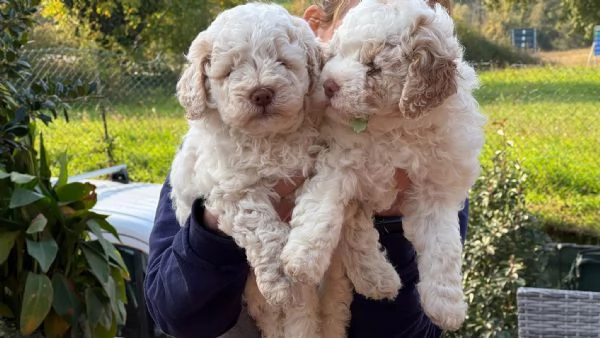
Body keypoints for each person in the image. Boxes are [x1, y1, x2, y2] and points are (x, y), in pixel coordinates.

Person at [144, 1, 467, 337]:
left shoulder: (431, 159)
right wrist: (218, 224)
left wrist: (392, 221)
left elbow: (419, 330)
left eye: (389, 64)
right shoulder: (213, 145)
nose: (351, 76)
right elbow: (173, 314)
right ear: (315, 32)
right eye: (344, 49)